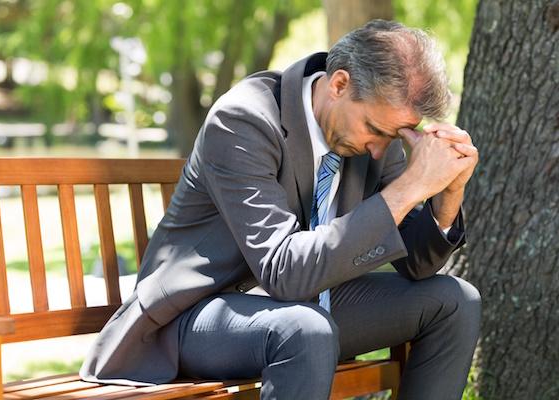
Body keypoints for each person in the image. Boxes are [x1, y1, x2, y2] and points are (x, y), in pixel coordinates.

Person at [80, 20, 481, 400]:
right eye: (376, 130)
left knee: (455, 300)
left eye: (393, 136)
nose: (381, 148)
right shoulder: (244, 120)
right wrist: (412, 186)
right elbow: (285, 273)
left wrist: (448, 193)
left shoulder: (374, 135)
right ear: (339, 84)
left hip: (303, 312)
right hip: (197, 315)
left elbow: (417, 265)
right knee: (304, 329)